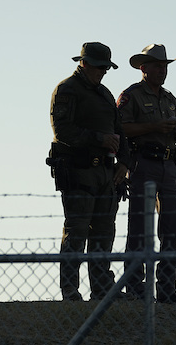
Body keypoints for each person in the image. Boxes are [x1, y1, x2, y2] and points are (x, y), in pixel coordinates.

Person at [48, 42, 132, 301]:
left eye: (105, 68)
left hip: (106, 174)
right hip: (78, 170)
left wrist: (124, 164)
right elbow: (62, 131)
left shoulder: (105, 94)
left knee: (104, 232)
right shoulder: (66, 90)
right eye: (98, 67)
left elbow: (120, 132)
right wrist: (99, 139)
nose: (102, 72)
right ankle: (70, 290)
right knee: (77, 231)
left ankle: (102, 288)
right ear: (83, 63)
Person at [117, 44, 176, 305]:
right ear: (143, 68)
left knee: (171, 229)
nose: (162, 71)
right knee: (139, 230)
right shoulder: (131, 96)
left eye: (165, 66)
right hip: (142, 165)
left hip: (169, 168)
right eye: (158, 66)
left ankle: (167, 290)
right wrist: (154, 126)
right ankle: (135, 288)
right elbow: (121, 129)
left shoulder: (170, 99)